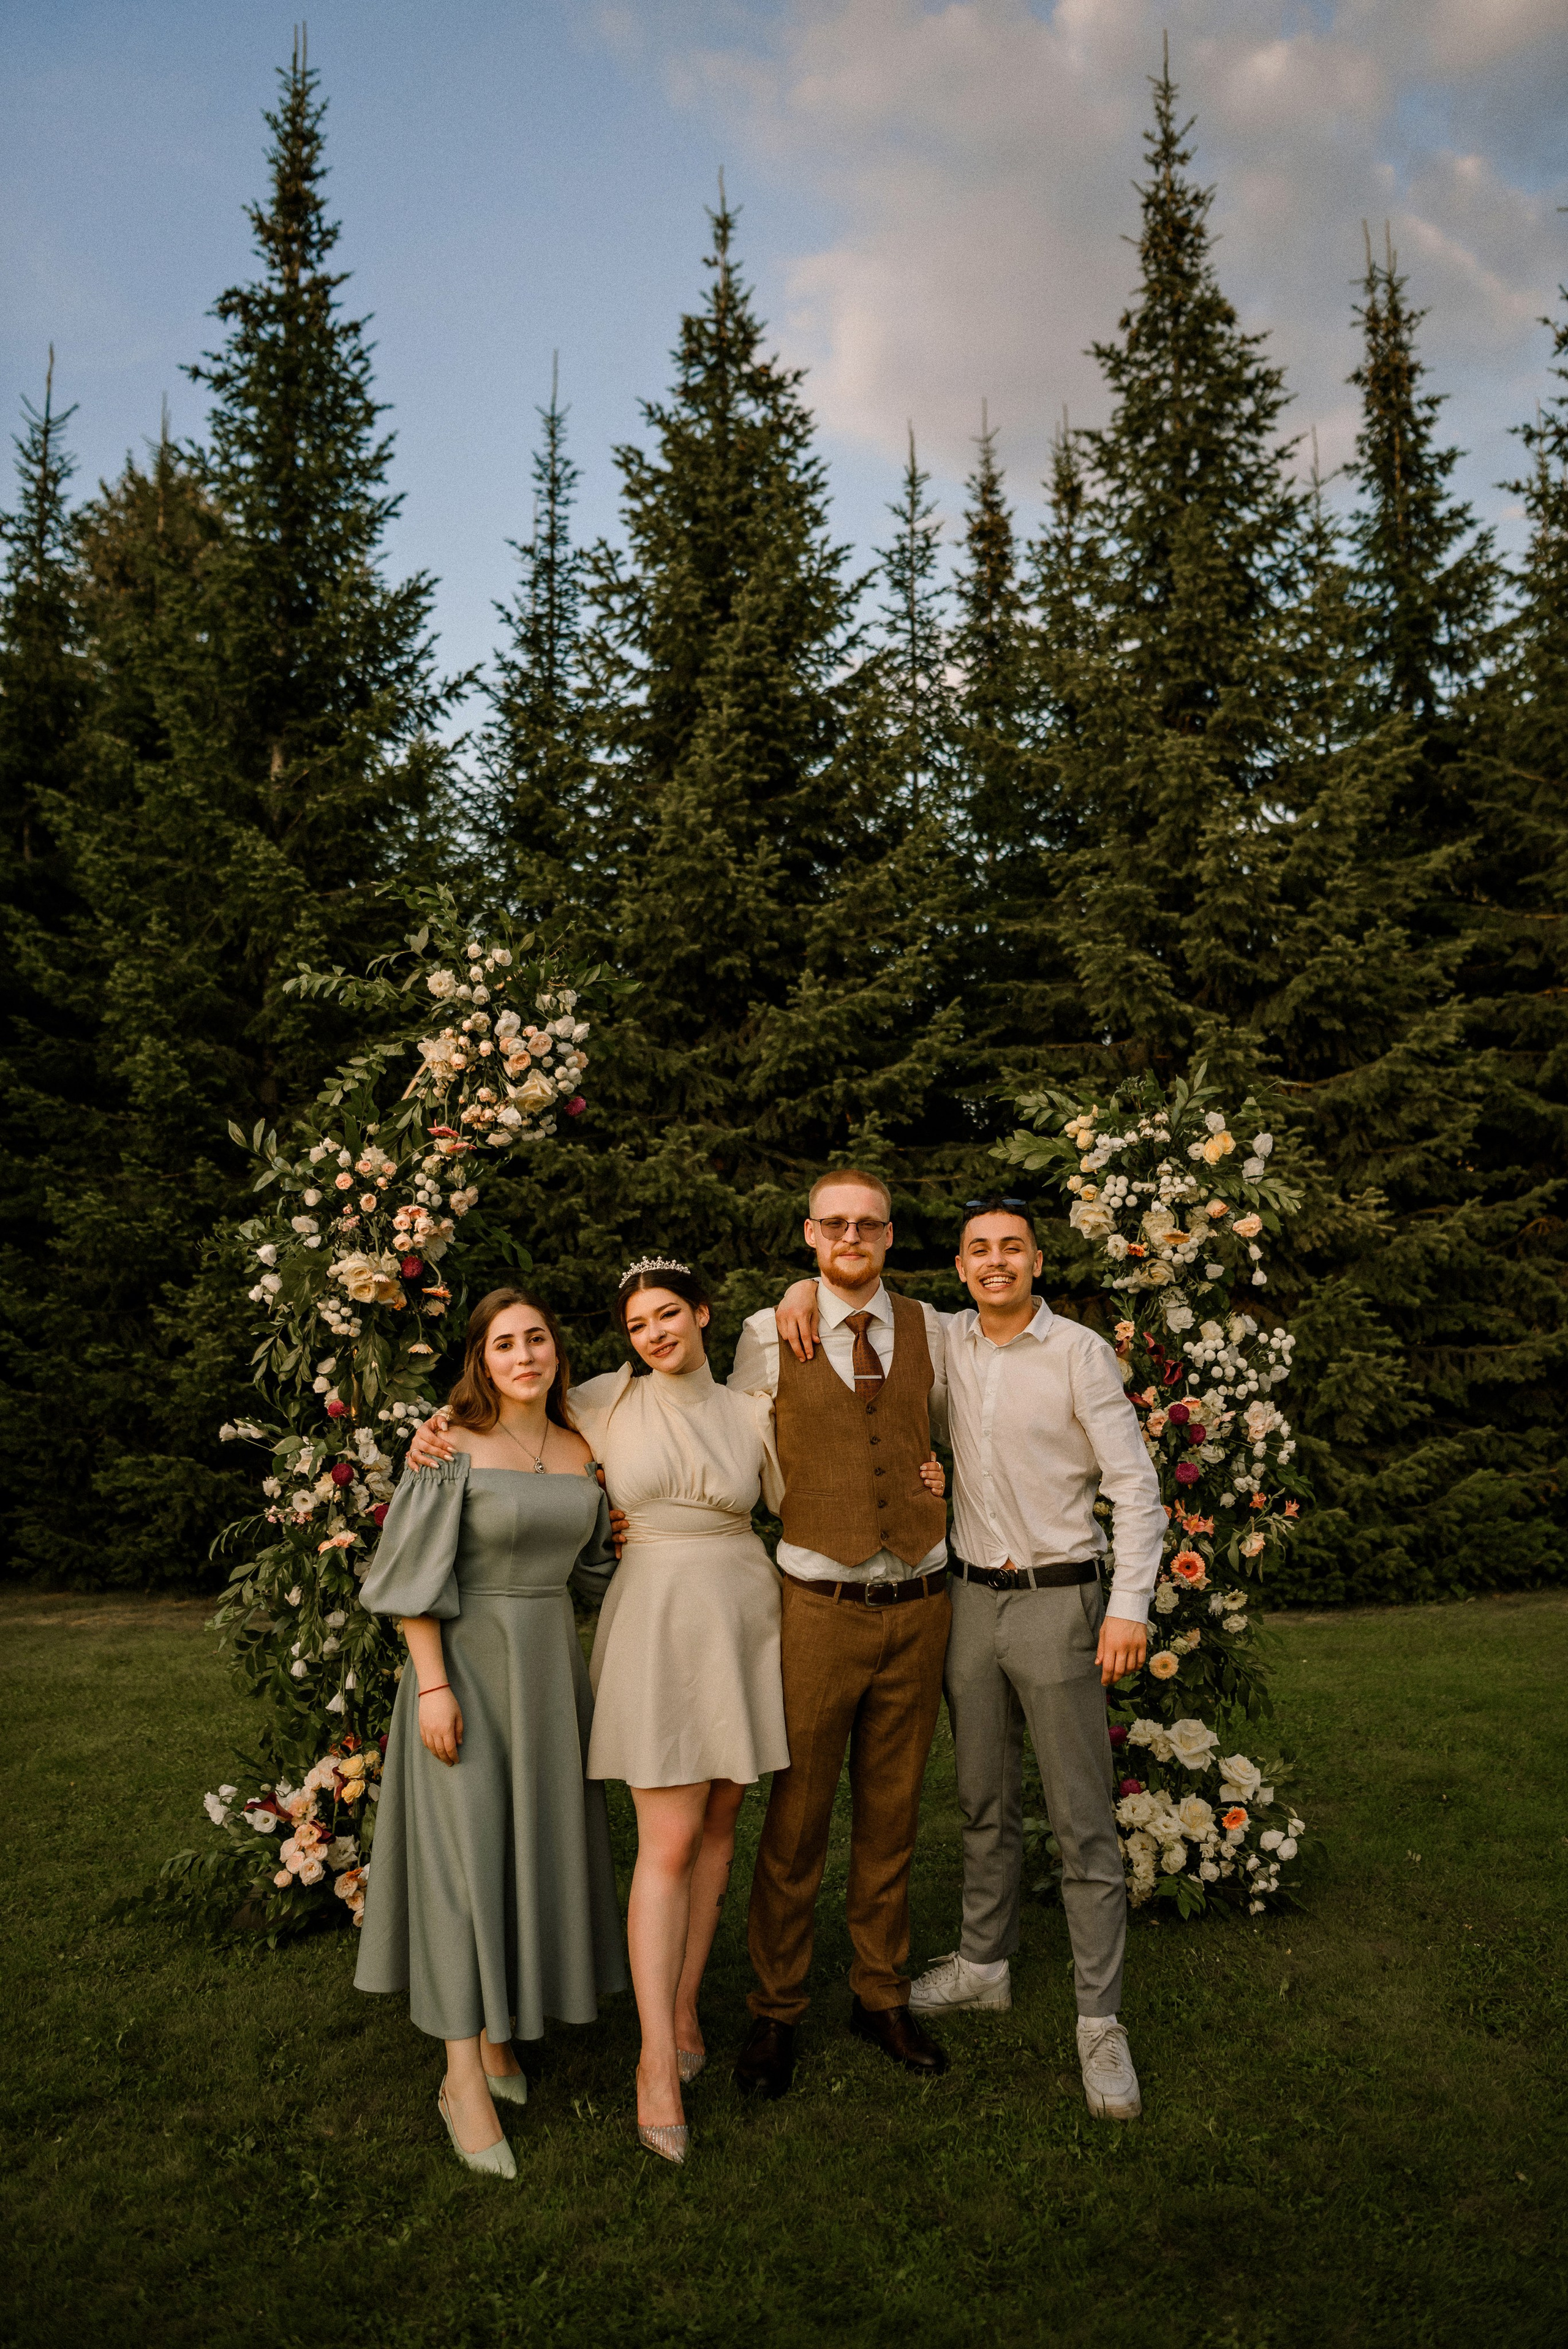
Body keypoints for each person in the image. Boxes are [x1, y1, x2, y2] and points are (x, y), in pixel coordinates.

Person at [776, 1196, 1164, 2122]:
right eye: (979, 1251)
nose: (996, 1263)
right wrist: (800, 1283)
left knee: (1080, 1821)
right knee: (982, 1800)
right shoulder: (941, 1338)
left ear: (1037, 1261)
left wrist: (1127, 1609)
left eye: (1012, 1250)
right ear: (957, 1268)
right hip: (966, 1600)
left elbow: (1137, 1490)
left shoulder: (1078, 1353)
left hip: (1060, 1599)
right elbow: (851, 1297)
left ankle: (1099, 2021)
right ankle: (984, 1966)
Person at [355, 1288, 627, 2180]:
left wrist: (620, 1537)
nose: (524, 1355)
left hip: (549, 1677)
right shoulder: (449, 1449)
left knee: (527, 1854)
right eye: (505, 1343)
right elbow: (410, 1578)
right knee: (468, 1867)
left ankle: (505, 2039)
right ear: (481, 1358)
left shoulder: (583, 1450)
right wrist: (432, 1687)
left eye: (537, 1339)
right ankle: (460, 2078)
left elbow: (590, 1577)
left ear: (556, 1352)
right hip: (464, 1674)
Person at [728, 1169, 954, 2099]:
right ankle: (775, 2008)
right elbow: (725, 1442)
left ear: (890, 1237)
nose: (851, 1236)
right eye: (835, 1225)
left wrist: (941, 1479)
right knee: (797, 1819)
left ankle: (879, 1992)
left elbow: (955, 1432)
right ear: (810, 1237)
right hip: (818, 1605)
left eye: (868, 1223)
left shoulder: (934, 1327)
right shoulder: (762, 1332)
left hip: (921, 1602)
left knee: (893, 1813)